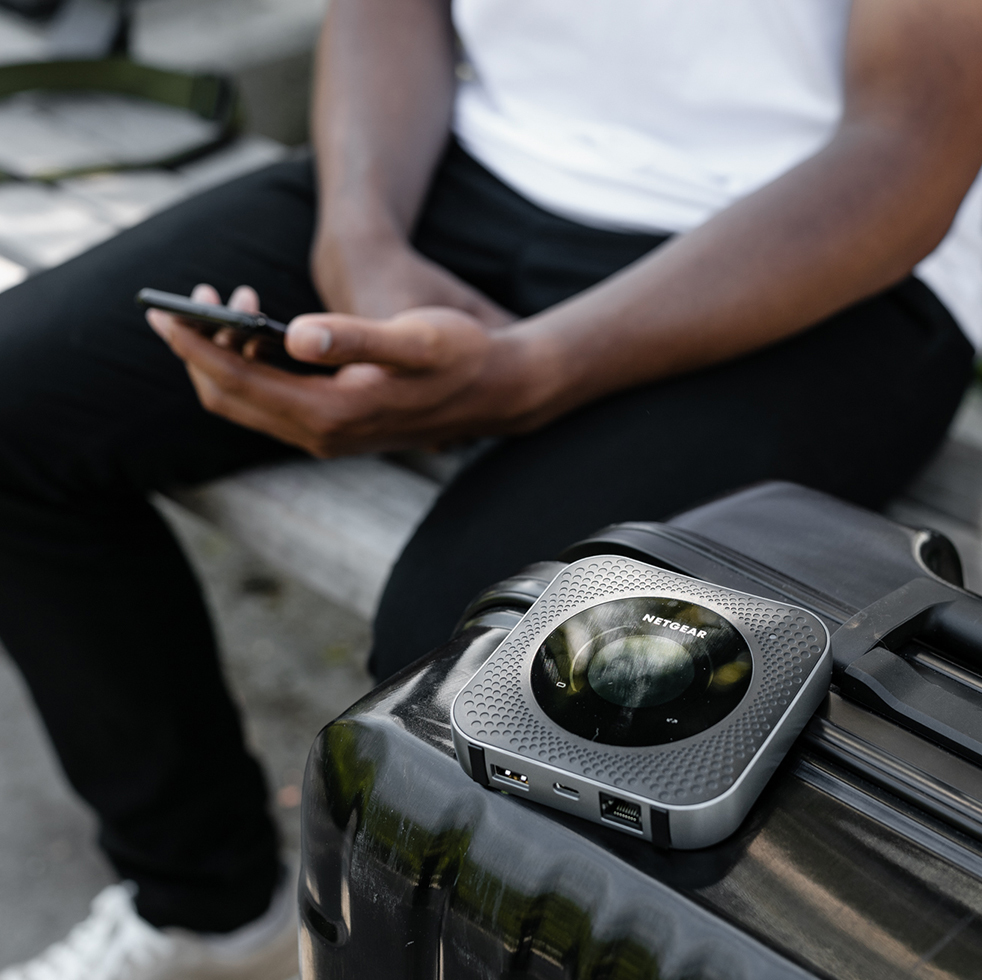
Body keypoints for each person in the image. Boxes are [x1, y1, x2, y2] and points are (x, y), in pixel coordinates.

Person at [2, 0, 982, 976]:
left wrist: (536, 370)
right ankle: (206, 904)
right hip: (477, 163)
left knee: (469, 674)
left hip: (834, 254)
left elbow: (909, 139)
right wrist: (361, 244)